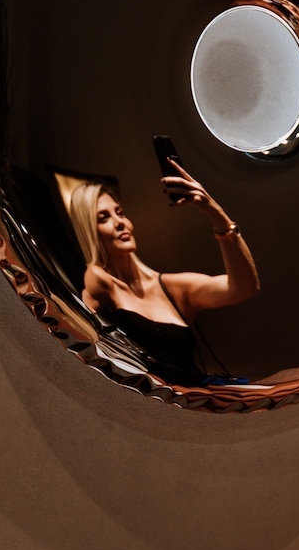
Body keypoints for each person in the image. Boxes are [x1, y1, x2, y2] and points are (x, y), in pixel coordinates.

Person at [68, 160, 260, 386]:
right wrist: (93, 271)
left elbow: (244, 287)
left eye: (120, 212)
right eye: (104, 218)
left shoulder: (172, 288)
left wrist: (215, 213)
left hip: (200, 396)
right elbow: (78, 338)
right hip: (146, 401)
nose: (119, 222)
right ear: (90, 231)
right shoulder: (100, 282)